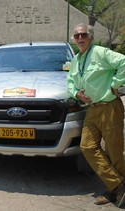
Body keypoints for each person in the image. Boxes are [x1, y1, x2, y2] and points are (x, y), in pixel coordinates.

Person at [67, 23, 125, 207]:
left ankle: (113, 191)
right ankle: (118, 185)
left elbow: (123, 61)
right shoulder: (76, 60)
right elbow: (70, 81)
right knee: (87, 146)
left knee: (114, 151)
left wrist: (116, 84)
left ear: (90, 37)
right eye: (76, 36)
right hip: (92, 109)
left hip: (109, 106)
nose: (80, 38)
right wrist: (76, 93)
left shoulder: (100, 52)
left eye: (83, 35)